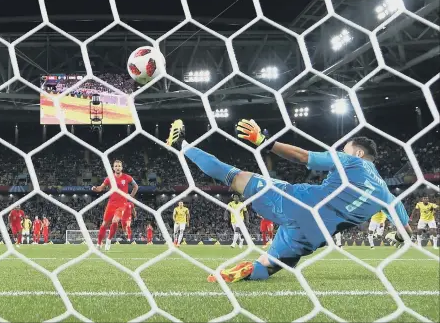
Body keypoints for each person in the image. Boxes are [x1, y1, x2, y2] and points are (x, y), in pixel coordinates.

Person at [165, 119, 411, 282]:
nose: (342, 151)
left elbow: (303, 157)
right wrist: (398, 237)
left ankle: (181, 145)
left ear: (358, 153)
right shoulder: (388, 196)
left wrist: (264, 141)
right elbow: (406, 231)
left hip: (297, 203)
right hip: (315, 236)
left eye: (345, 148)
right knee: (269, 265)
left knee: (235, 176)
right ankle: (252, 270)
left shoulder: (352, 161)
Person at [92, 160, 138, 251]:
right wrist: (95, 189)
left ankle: (108, 240)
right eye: (116, 166)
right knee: (104, 224)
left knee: (115, 221)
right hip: (111, 204)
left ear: (122, 167)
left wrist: (131, 196)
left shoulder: (127, 177)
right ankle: (99, 243)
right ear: (113, 168)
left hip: (122, 204)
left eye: (119, 166)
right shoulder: (109, 178)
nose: (117, 167)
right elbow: (101, 188)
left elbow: (136, 186)